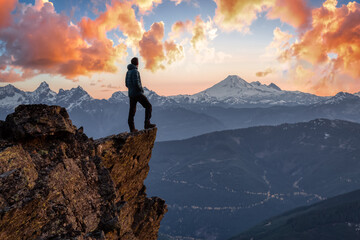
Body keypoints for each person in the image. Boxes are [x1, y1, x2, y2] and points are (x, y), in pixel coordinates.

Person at [125, 57, 156, 133]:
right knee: (148, 106)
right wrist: (141, 90)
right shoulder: (135, 71)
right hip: (137, 93)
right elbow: (136, 83)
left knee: (132, 111)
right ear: (137, 63)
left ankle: (132, 129)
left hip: (131, 94)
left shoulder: (128, 72)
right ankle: (147, 124)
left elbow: (126, 84)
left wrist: (131, 89)